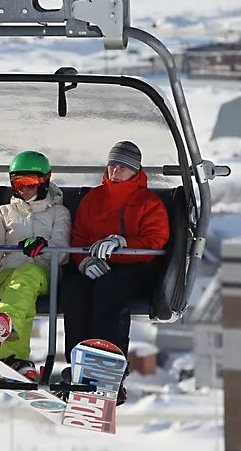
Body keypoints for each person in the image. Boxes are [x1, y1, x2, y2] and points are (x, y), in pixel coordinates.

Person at [61, 140, 170, 403]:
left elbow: (156, 241)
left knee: (110, 289)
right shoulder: (94, 199)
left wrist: (123, 243)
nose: (114, 171)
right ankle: (78, 363)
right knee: (75, 289)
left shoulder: (147, 202)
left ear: (135, 170)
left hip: (138, 268)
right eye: (112, 165)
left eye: (122, 166)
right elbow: (78, 237)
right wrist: (83, 261)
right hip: (100, 267)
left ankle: (110, 369)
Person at [0, 150, 71, 381]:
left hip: (44, 276)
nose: (24, 189)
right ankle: (15, 360)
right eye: (18, 182)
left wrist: (44, 246)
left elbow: (63, 253)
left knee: (27, 277)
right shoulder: (2, 212)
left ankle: (4, 336)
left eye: (30, 182)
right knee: (22, 299)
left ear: (45, 181)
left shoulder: (59, 212)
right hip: (5, 276)